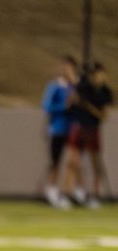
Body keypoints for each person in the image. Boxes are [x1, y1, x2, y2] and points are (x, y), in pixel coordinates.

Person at [61, 60, 113, 209]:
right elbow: (71, 102)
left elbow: (103, 114)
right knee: (73, 162)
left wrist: (91, 108)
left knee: (95, 163)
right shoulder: (83, 88)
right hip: (79, 127)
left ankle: (95, 195)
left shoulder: (105, 92)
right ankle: (70, 193)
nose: (97, 76)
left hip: (93, 129)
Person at [42, 56, 77, 208]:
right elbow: (47, 106)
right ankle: (52, 191)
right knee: (55, 161)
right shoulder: (55, 86)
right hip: (57, 129)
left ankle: (67, 192)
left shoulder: (73, 87)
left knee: (71, 162)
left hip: (72, 129)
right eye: (65, 67)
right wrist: (64, 106)